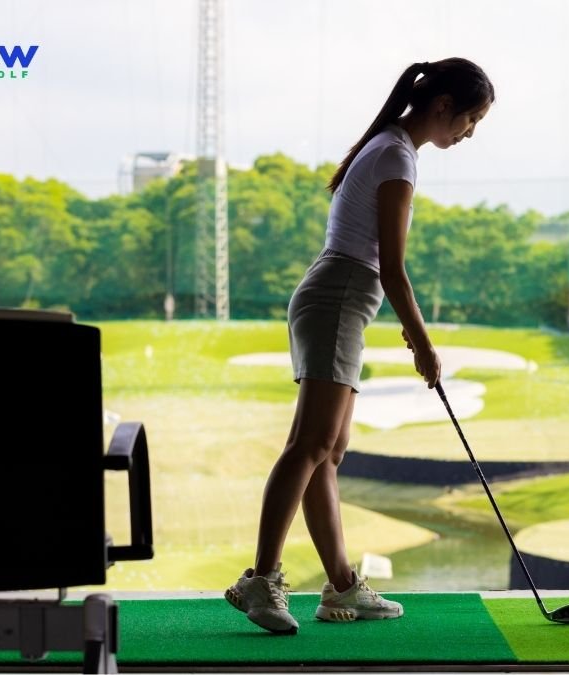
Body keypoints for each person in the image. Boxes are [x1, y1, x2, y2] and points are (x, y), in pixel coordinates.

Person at [225, 57, 494, 634]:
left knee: (328, 450)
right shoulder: (396, 155)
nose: (469, 132)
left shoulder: (391, 145)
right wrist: (422, 344)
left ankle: (342, 585)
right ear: (443, 106)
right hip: (340, 296)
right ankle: (260, 580)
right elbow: (392, 269)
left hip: (339, 297)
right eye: (470, 119)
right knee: (308, 445)